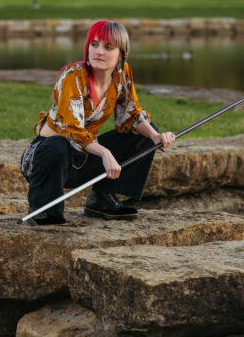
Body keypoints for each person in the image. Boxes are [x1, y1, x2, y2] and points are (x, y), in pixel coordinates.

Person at [21, 20, 176, 224]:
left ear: (122, 54)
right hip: (47, 158)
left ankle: (102, 200)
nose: (99, 52)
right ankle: (45, 210)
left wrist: (156, 137)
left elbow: (130, 116)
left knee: (145, 134)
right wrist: (105, 152)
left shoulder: (122, 75)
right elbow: (72, 131)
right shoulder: (73, 76)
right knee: (57, 145)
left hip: (83, 156)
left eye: (108, 47)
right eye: (94, 44)